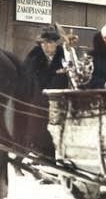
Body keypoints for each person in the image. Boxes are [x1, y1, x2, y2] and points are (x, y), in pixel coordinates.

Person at [21, 26, 70, 156]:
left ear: (56, 43)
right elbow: (26, 79)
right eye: (42, 43)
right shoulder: (34, 58)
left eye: (49, 42)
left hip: (59, 103)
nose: (45, 46)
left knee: (55, 135)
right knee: (36, 133)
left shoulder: (65, 56)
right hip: (37, 103)